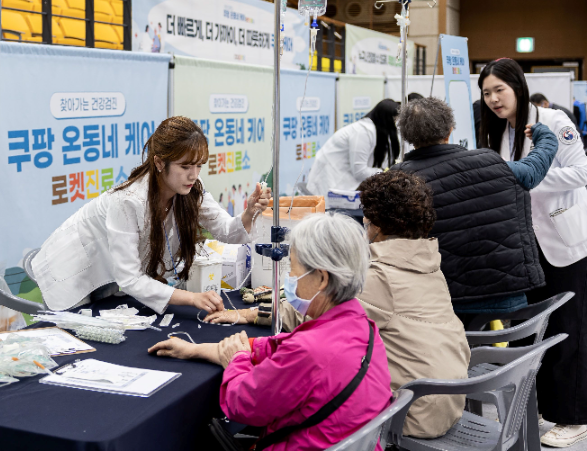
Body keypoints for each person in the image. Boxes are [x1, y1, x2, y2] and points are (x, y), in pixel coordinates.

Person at [205, 172, 471, 438]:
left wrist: (246, 315)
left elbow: (314, 313)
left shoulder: (380, 278)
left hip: (410, 413)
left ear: (375, 226)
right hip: (447, 396)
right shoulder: (426, 263)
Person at [148, 213, 392, 451]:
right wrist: (195, 350)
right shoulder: (362, 327)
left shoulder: (310, 351)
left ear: (321, 278)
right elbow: (280, 346)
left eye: (294, 270)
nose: (290, 278)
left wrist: (237, 359)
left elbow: (242, 404)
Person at [31, 116, 272, 315]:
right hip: (72, 267)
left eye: (199, 165)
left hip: (108, 276)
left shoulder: (191, 189)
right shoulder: (127, 202)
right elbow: (130, 278)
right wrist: (192, 298)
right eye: (185, 166)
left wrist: (249, 213)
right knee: (82, 331)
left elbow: (226, 230)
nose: (193, 174)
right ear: (159, 162)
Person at [479, 59, 587, 447]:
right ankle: (544, 407)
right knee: (533, 329)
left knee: (568, 330)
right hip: (524, 244)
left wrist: (528, 174)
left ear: (518, 87)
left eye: (499, 90)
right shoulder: (500, 131)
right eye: (486, 92)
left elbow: (581, 171)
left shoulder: (554, 121)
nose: (493, 99)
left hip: (563, 242)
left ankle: (574, 416)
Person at [392, 96, 556, 320]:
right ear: (450, 130)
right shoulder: (491, 162)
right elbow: (534, 168)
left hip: (437, 304)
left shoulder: (399, 180)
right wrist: (544, 136)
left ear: (407, 137)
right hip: (504, 295)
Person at [306, 99, 400, 196]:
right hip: (328, 177)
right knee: (327, 207)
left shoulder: (376, 132)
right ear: (387, 119)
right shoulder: (362, 132)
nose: (397, 124)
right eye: (395, 119)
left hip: (340, 178)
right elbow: (359, 171)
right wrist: (385, 173)